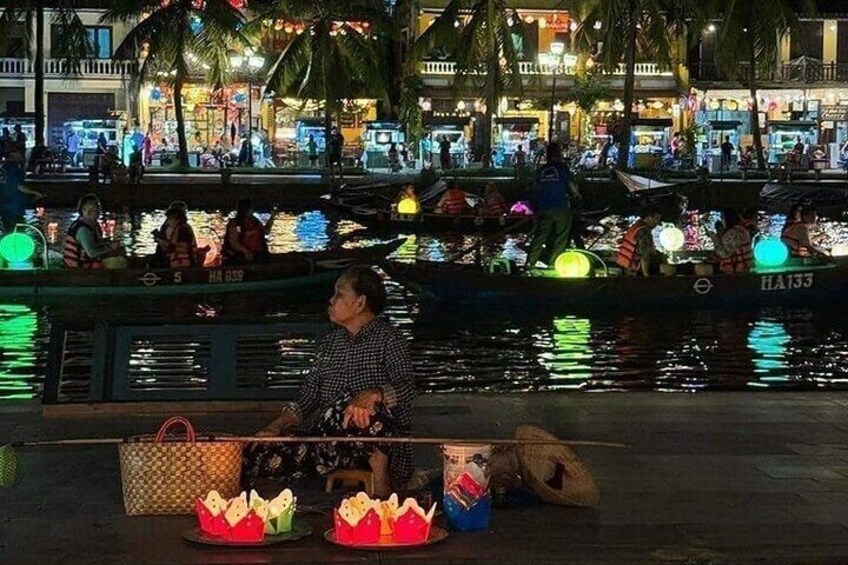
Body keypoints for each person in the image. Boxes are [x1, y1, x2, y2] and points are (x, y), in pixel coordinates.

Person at [243, 266, 415, 496]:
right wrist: (276, 426)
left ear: (360, 303)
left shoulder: (390, 340)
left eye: (339, 294)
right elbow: (308, 398)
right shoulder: (330, 343)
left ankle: (382, 486)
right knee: (255, 451)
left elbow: (407, 389)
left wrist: (374, 394)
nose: (331, 300)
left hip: (377, 441)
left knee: (369, 412)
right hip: (327, 442)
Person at [525, 141, 580, 268]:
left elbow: (534, 189)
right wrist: (577, 196)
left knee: (540, 236)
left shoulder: (542, 170)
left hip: (544, 209)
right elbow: (572, 188)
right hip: (560, 207)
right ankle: (554, 264)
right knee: (561, 237)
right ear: (559, 154)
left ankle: (530, 263)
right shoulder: (562, 168)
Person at [63, 194, 123, 268]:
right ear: (85, 211)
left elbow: (93, 243)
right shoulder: (83, 229)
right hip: (79, 266)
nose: (98, 212)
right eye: (95, 210)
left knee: (120, 252)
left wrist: (107, 242)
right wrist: (110, 247)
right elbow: (92, 253)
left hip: (86, 261)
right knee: (120, 263)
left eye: (98, 209)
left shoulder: (93, 225)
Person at [222, 198, 273, 264]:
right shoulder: (236, 223)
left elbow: (265, 231)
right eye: (250, 209)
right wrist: (246, 252)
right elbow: (233, 241)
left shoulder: (255, 221)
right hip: (241, 256)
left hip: (258, 254)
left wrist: (272, 218)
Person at [615, 209, 664, 276]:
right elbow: (645, 255)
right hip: (636, 270)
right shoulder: (644, 232)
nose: (657, 222)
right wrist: (646, 274)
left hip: (626, 266)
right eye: (656, 219)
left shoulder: (635, 226)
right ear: (648, 218)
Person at [152, 201, 200, 268]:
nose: (167, 221)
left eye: (170, 218)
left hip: (182, 264)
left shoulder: (184, 230)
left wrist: (162, 242)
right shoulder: (167, 227)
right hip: (171, 261)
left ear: (177, 218)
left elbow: (179, 248)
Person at [712, 209, 757, 275]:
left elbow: (723, 254)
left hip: (735, 271)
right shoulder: (741, 231)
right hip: (741, 270)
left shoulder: (734, 233)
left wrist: (715, 239)